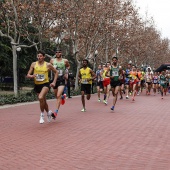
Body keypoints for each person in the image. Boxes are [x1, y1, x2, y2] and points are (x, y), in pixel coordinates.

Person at [26, 50, 58, 124]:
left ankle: (42, 115)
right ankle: (49, 113)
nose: (39, 57)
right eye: (38, 56)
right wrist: (31, 76)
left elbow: (56, 72)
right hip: (37, 85)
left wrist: (54, 82)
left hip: (45, 84)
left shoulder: (48, 65)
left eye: (41, 56)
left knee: (40, 97)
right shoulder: (34, 64)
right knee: (43, 101)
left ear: (44, 57)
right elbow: (28, 74)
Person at [50, 48, 70, 119]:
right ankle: (62, 97)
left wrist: (66, 73)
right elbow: (49, 67)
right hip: (55, 80)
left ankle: (55, 112)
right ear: (55, 53)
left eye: (59, 52)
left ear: (61, 53)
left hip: (61, 79)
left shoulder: (65, 61)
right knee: (57, 96)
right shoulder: (52, 60)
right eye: (56, 52)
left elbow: (68, 66)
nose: (58, 53)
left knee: (58, 95)